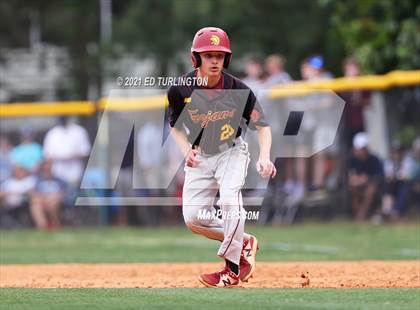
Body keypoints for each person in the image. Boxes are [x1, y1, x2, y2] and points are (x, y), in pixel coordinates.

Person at [167, 27, 276, 288]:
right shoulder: (181, 89)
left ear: (226, 59)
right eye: (208, 55)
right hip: (201, 157)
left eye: (220, 55)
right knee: (193, 218)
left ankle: (232, 269)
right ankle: (245, 242)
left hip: (231, 152)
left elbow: (263, 126)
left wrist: (265, 156)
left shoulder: (239, 90)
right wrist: (186, 152)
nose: (215, 60)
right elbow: (174, 125)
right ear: (196, 59)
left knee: (229, 201)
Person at [348, 132, 384, 220]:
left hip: (373, 188)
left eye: (362, 149)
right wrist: (357, 180)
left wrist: (366, 180)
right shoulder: (353, 160)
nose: (361, 151)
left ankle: (362, 214)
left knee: (371, 188)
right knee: (352, 187)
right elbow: (351, 176)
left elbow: (378, 177)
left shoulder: (374, 159)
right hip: (358, 187)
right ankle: (357, 213)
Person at [30, 160, 65, 230]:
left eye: (48, 170)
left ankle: (56, 225)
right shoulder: (38, 181)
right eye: (45, 170)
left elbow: (63, 192)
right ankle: (43, 227)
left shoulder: (58, 180)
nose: (47, 172)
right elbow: (34, 192)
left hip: (55, 200)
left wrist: (52, 198)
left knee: (52, 203)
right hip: (42, 200)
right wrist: (43, 198)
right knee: (35, 205)